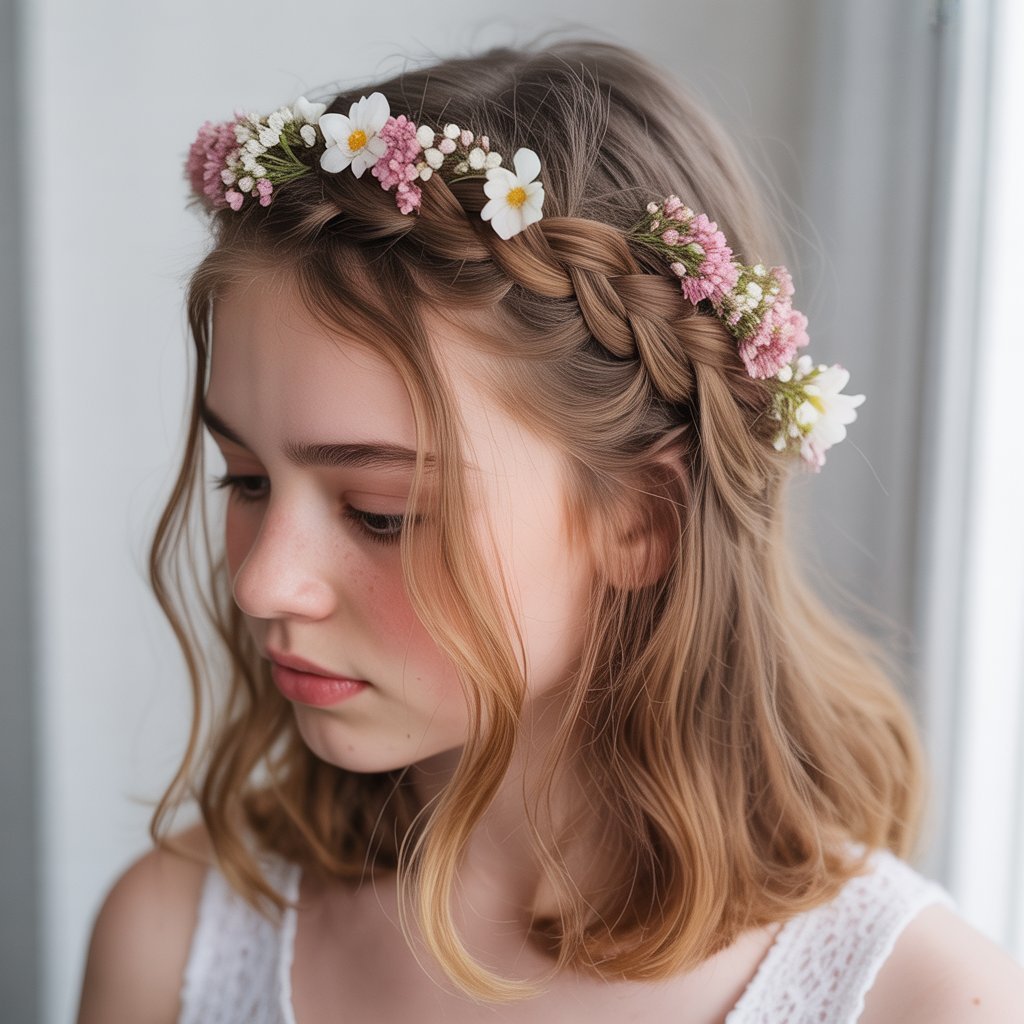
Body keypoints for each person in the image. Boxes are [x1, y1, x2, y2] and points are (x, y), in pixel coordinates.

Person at [76, 39, 1024, 1023]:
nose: (263, 583)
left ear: (642, 519)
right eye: (246, 480)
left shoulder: (924, 1003)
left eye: (379, 513)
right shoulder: (171, 943)